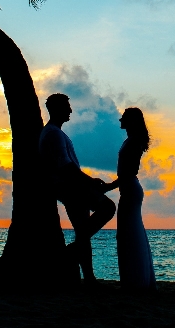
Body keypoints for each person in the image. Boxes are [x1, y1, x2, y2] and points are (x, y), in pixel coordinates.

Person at [38, 93, 116, 283]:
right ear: (56, 109)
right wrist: (89, 182)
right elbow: (65, 165)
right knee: (107, 208)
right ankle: (68, 254)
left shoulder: (54, 132)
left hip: (70, 187)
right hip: (72, 188)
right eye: (67, 106)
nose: (70, 110)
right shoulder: (54, 133)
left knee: (83, 230)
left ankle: (88, 277)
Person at [105, 107, 157, 291]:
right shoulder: (132, 140)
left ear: (132, 121)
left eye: (124, 118)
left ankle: (134, 281)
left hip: (130, 189)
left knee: (128, 233)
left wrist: (109, 186)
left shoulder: (133, 141)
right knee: (129, 232)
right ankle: (134, 279)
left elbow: (129, 172)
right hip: (129, 189)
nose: (120, 120)